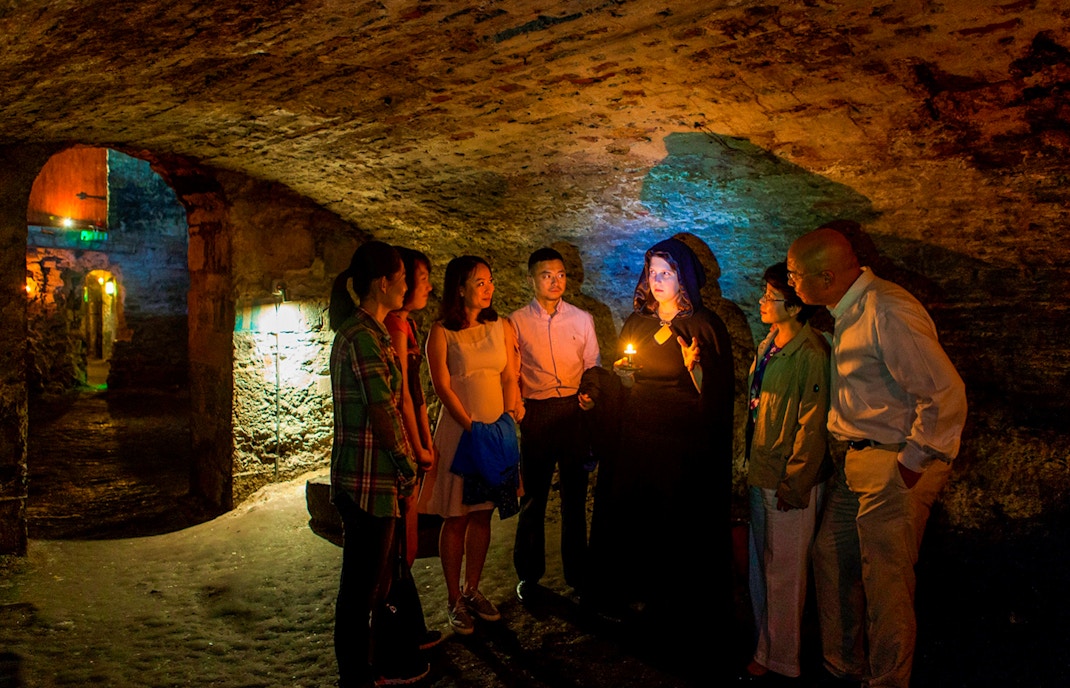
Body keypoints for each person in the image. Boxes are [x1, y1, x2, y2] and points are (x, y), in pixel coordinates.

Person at [787, 226, 967, 688]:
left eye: (795, 275)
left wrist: (912, 461)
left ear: (826, 277)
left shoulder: (887, 309)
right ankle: (844, 667)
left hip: (892, 464)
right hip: (858, 462)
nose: (790, 284)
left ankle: (888, 681)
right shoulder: (846, 311)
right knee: (832, 556)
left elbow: (944, 393)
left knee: (885, 583)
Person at [587, 237, 734, 622]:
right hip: (637, 437)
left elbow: (716, 396)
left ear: (682, 278)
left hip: (679, 443)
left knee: (674, 519)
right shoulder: (637, 322)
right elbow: (626, 377)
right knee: (638, 516)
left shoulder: (704, 325)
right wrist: (623, 377)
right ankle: (633, 587)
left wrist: (693, 367)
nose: (657, 280)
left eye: (666, 273)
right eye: (652, 272)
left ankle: (674, 598)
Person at [327, 240, 428, 688]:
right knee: (360, 590)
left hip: (364, 477)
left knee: (365, 585)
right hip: (368, 480)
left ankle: (364, 669)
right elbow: (384, 413)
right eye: (403, 279)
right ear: (383, 283)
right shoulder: (366, 337)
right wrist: (408, 467)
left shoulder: (364, 331)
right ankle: (357, 676)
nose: (407, 286)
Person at [417, 255, 523, 635]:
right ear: (459, 287)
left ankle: (473, 588)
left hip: (496, 430)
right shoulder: (442, 332)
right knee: (457, 514)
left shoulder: (502, 327)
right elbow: (442, 386)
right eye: (479, 282)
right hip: (462, 434)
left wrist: (508, 417)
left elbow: (510, 374)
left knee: (483, 511)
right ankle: (452, 598)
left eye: (489, 280)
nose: (488, 288)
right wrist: (470, 426)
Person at [742, 262, 830, 683]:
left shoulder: (810, 355)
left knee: (786, 575)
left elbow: (811, 425)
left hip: (787, 480)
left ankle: (781, 661)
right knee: (761, 566)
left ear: (795, 308)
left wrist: (795, 483)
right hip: (762, 471)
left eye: (770, 297)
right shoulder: (768, 347)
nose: (762, 301)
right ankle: (766, 645)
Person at [509, 247, 600, 603]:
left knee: (575, 496)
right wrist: (519, 410)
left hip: (574, 411)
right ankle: (529, 574)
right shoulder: (516, 322)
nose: (555, 281)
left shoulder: (581, 319)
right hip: (538, 413)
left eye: (560, 274)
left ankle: (578, 572)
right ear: (531, 279)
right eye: (547, 275)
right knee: (534, 496)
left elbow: (592, 364)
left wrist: (591, 395)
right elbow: (511, 371)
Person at [384, 246, 443, 653]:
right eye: (419, 278)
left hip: (414, 438)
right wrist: (417, 445)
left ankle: (410, 627)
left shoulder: (410, 325)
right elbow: (402, 393)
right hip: (400, 446)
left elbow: (418, 394)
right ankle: (397, 634)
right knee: (401, 539)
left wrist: (427, 437)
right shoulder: (392, 326)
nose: (425, 286)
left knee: (409, 538)